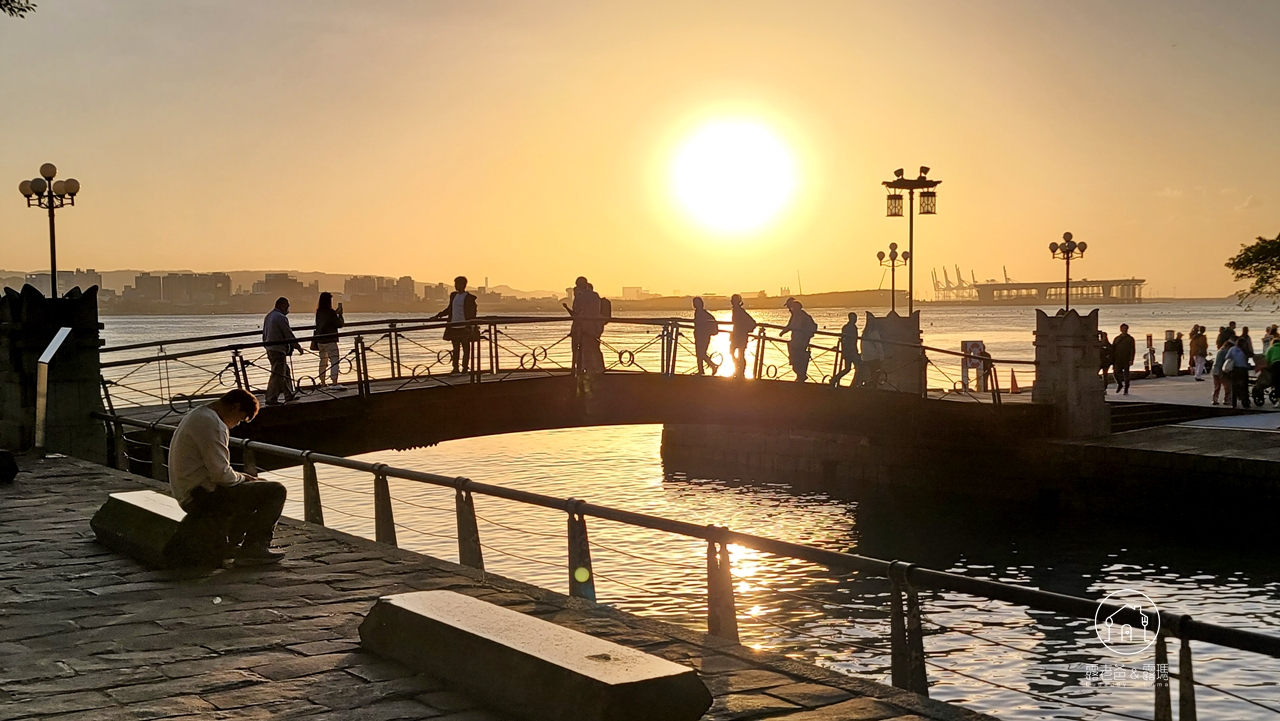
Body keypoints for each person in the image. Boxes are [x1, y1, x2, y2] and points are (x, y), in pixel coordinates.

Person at [167, 389, 286, 566]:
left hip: (189, 491)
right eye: (240, 419)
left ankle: (232, 543)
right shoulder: (214, 424)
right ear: (235, 407)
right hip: (202, 496)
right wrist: (244, 479)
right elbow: (222, 475)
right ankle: (255, 547)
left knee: (251, 489)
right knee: (275, 491)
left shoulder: (198, 415)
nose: (236, 425)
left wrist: (243, 478)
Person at [432, 276, 478, 375]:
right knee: (455, 349)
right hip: (453, 326)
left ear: (464, 285)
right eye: (455, 284)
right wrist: (438, 316)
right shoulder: (453, 295)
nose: (456, 286)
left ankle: (465, 368)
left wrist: (470, 325)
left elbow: (473, 313)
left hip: (465, 327)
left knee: (466, 349)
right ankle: (455, 368)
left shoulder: (469, 298)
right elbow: (450, 309)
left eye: (458, 284)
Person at [263, 297, 304, 405]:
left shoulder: (269, 316)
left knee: (284, 372)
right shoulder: (281, 317)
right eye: (287, 306)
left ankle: (289, 394)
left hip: (270, 348)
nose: (288, 308)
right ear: (281, 305)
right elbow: (288, 334)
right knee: (278, 374)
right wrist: (297, 346)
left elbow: (264, 334)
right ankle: (271, 398)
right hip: (278, 349)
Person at [565, 276, 604, 374]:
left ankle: (580, 369)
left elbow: (576, 312)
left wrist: (566, 308)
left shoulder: (580, 296)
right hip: (594, 326)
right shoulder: (595, 296)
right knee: (594, 348)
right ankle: (599, 368)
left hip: (582, 326)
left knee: (580, 349)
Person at [313, 292, 346, 391]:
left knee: (323, 361)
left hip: (320, 341)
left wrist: (335, 313)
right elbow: (339, 324)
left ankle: (323, 382)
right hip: (330, 340)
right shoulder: (330, 312)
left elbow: (325, 321)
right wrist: (340, 315)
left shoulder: (319, 312)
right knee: (334, 361)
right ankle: (334, 382)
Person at [780, 298, 818, 382]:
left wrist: (807, 336)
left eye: (791, 307)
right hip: (795, 340)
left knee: (798, 358)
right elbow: (790, 325)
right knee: (795, 358)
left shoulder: (803, 316)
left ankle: (801, 375)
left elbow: (810, 327)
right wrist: (783, 332)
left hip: (801, 341)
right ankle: (800, 375)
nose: (789, 309)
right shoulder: (795, 316)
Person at [729, 294, 756, 379]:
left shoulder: (740, 311)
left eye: (733, 300)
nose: (731, 301)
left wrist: (745, 329)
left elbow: (753, 322)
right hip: (736, 335)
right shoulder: (736, 310)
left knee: (740, 354)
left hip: (740, 335)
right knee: (732, 352)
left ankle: (740, 372)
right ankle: (738, 369)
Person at [691, 297, 720, 376]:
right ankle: (702, 370)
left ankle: (712, 366)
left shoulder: (701, 313)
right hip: (701, 335)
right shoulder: (700, 313)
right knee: (700, 353)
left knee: (701, 353)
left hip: (702, 335)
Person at [831, 313, 860, 387]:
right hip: (851, 351)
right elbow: (852, 340)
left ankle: (835, 379)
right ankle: (854, 384)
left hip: (848, 350)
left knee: (848, 368)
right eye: (855, 318)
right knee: (857, 367)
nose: (856, 320)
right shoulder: (851, 328)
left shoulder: (846, 327)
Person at [1227, 337, 1252, 409]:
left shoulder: (1232, 349)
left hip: (1235, 369)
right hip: (1243, 369)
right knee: (1244, 387)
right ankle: (1245, 403)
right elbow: (1250, 356)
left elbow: (1227, 357)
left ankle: (1233, 403)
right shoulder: (1245, 350)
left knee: (1234, 386)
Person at [1111, 324, 1135, 395]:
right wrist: (1112, 360)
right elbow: (1113, 349)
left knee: (1126, 375)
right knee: (1115, 373)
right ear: (1120, 329)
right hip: (1117, 359)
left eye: (1125, 328)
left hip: (1126, 359)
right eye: (1123, 328)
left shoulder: (1130, 339)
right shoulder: (1117, 338)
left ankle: (1126, 389)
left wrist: (1131, 359)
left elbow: (1132, 350)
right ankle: (1120, 384)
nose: (1124, 330)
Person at [859, 321, 883, 388]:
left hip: (865, 357)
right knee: (877, 371)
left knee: (872, 371)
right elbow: (878, 345)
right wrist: (881, 357)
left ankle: (871, 385)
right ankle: (871, 385)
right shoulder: (874, 333)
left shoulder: (864, 333)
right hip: (873, 356)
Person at [1211, 338, 1233, 405]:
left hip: (1214, 370)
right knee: (1227, 386)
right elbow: (1224, 362)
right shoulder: (1225, 352)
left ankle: (1214, 399)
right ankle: (1226, 399)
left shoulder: (1219, 351)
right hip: (1221, 371)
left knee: (1217, 386)